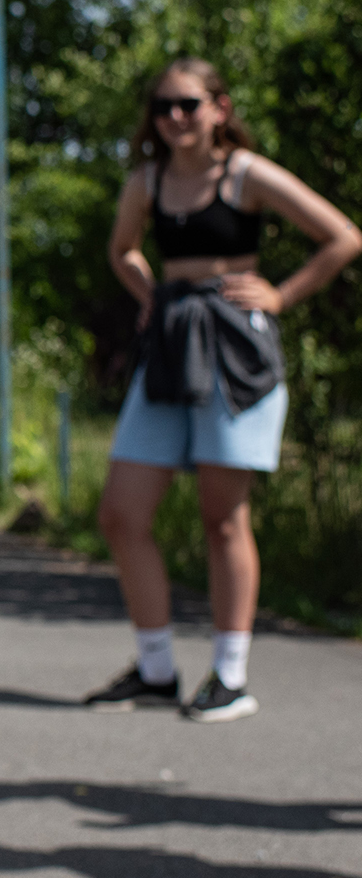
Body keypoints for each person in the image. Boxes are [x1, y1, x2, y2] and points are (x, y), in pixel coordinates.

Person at [88, 58, 359, 723]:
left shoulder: (245, 174)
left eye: (186, 104)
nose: (173, 118)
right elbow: (123, 249)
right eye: (162, 107)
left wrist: (280, 295)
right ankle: (155, 671)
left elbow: (343, 236)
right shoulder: (146, 180)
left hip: (236, 349)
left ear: (218, 107)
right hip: (171, 344)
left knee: (222, 515)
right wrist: (152, 293)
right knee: (122, 513)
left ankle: (230, 676)